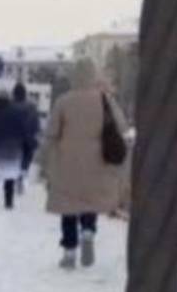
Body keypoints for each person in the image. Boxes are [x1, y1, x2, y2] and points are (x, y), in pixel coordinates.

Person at [43, 77, 130, 269]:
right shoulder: (105, 100)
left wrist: (48, 161)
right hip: (97, 161)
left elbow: (51, 133)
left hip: (67, 162)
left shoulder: (63, 101)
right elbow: (122, 126)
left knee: (69, 206)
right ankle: (88, 231)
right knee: (89, 200)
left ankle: (69, 252)